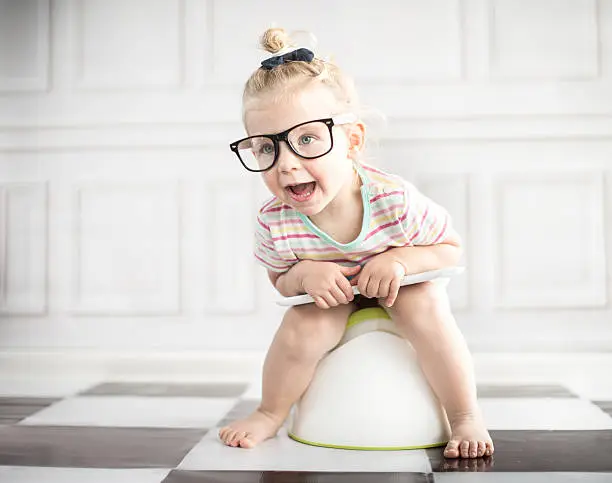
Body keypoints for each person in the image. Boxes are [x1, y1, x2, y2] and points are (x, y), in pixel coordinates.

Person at [219, 27, 494, 459]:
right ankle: (271, 412)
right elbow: (280, 279)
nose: (287, 165)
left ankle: (464, 415)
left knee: (425, 308)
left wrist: (401, 262)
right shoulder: (275, 221)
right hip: (333, 299)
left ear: (352, 142)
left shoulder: (394, 200)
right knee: (301, 329)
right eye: (265, 149)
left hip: (400, 288)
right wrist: (304, 275)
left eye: (306, 139)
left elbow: (450, 249)